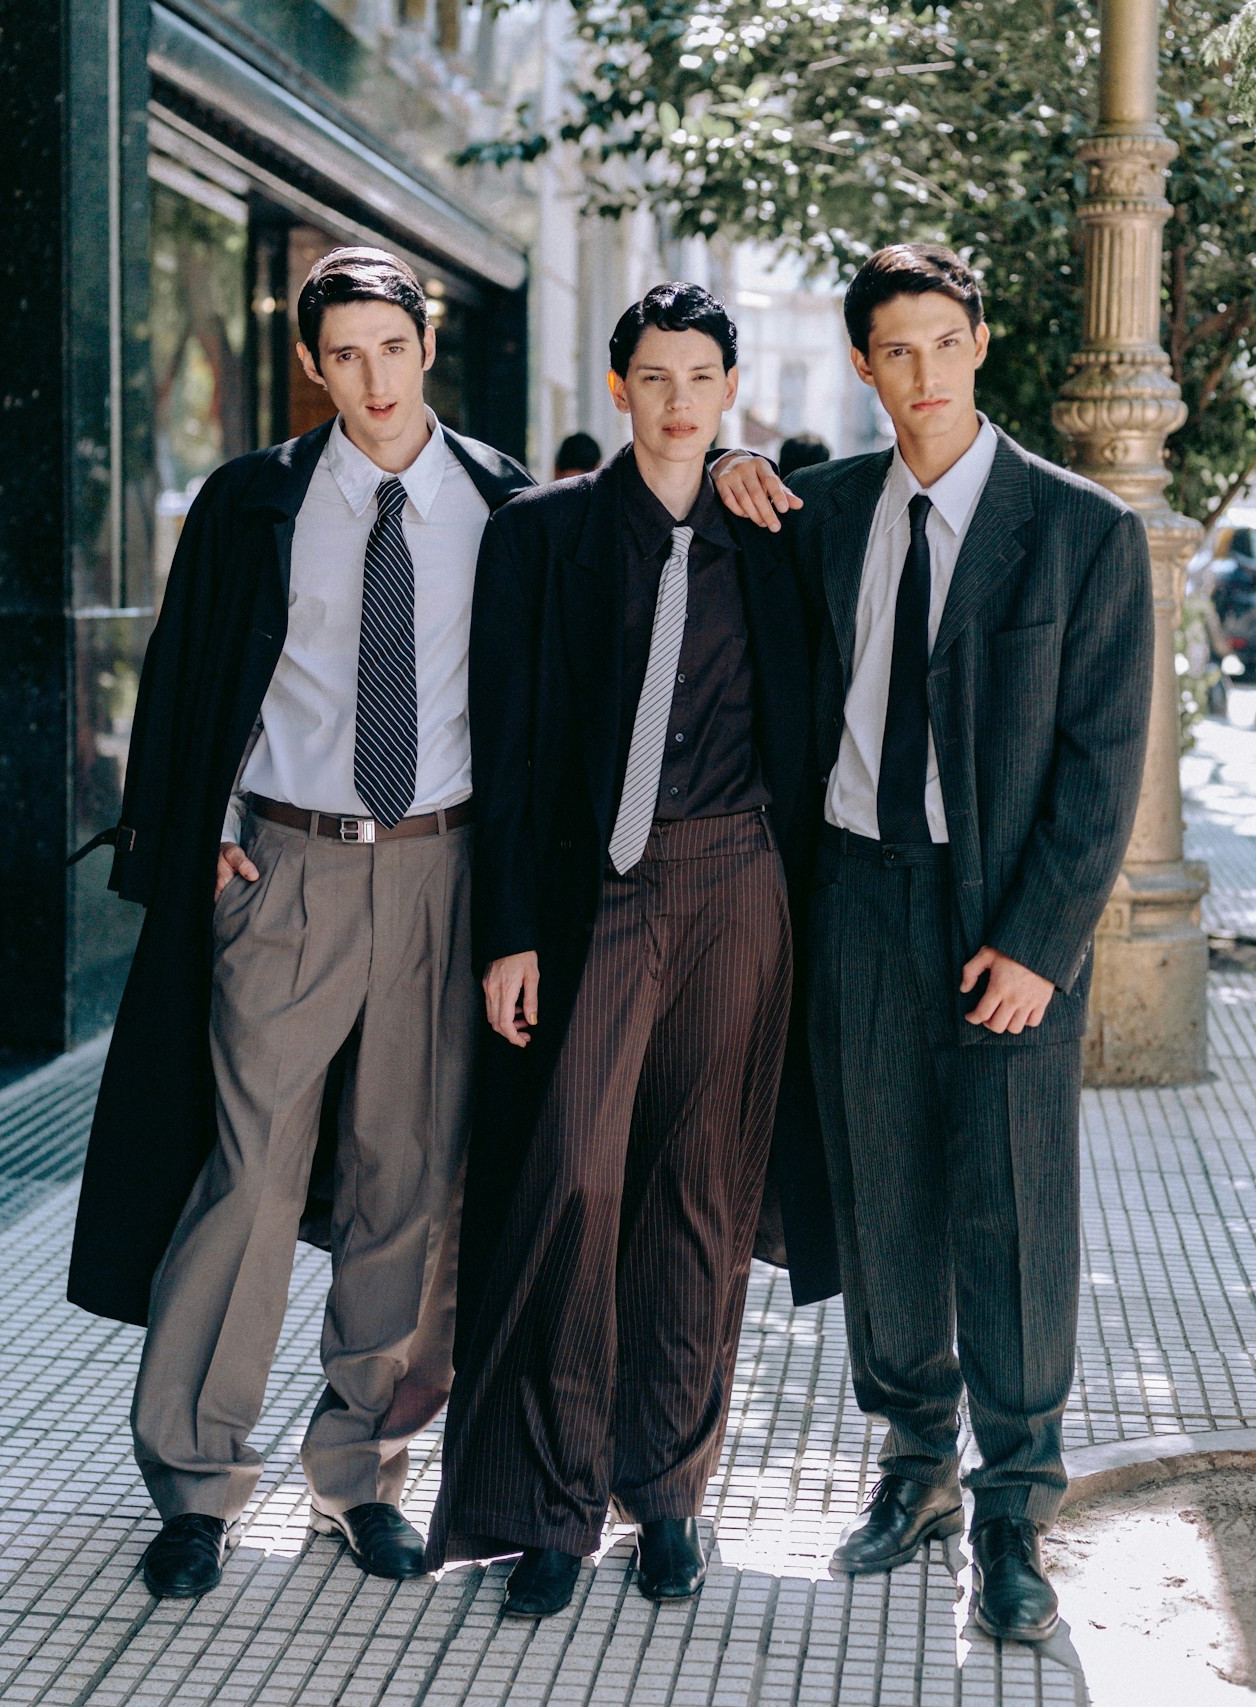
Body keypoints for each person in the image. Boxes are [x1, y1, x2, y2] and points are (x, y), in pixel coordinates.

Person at [66, 247, 532, 1599]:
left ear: (425, 343)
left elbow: (537, 708)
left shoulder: (503, 503)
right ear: (314, 365)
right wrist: (196, 829)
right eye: (347, 355)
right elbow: (186, 673)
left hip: (442, 872)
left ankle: (361, 1475)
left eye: (393, 347)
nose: (374, 379)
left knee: (407, 1180)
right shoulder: (255, 502)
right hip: (285, 870)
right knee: (247, 1178)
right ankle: (198, 1481)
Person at [713, 244, 1153, 1643]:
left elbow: (1104, 761)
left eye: (944, 343)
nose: (924, 373)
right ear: (862, 364)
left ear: (980, 343)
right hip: (856, 894)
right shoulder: (825, 512)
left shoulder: (1079, 529)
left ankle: (1017, 1501)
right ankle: (916, 1468)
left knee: (1016, 1205)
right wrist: (730, 471)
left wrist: (1041, 941)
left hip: (1005, 911)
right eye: (894, 350)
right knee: (883, 1189)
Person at [423, 283, 836, 1617]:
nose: (677, 399)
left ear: (729, 390)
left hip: (740, 879)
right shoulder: (541, 536)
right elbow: (510, 747)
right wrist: (510, 938)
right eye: (654, 377)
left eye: (700, 377)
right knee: (570, 1185)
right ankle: (552, 1506)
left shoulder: (774, 536)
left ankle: (667, 1495)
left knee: (703, 1191)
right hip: (595, 889)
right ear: (619, 391)